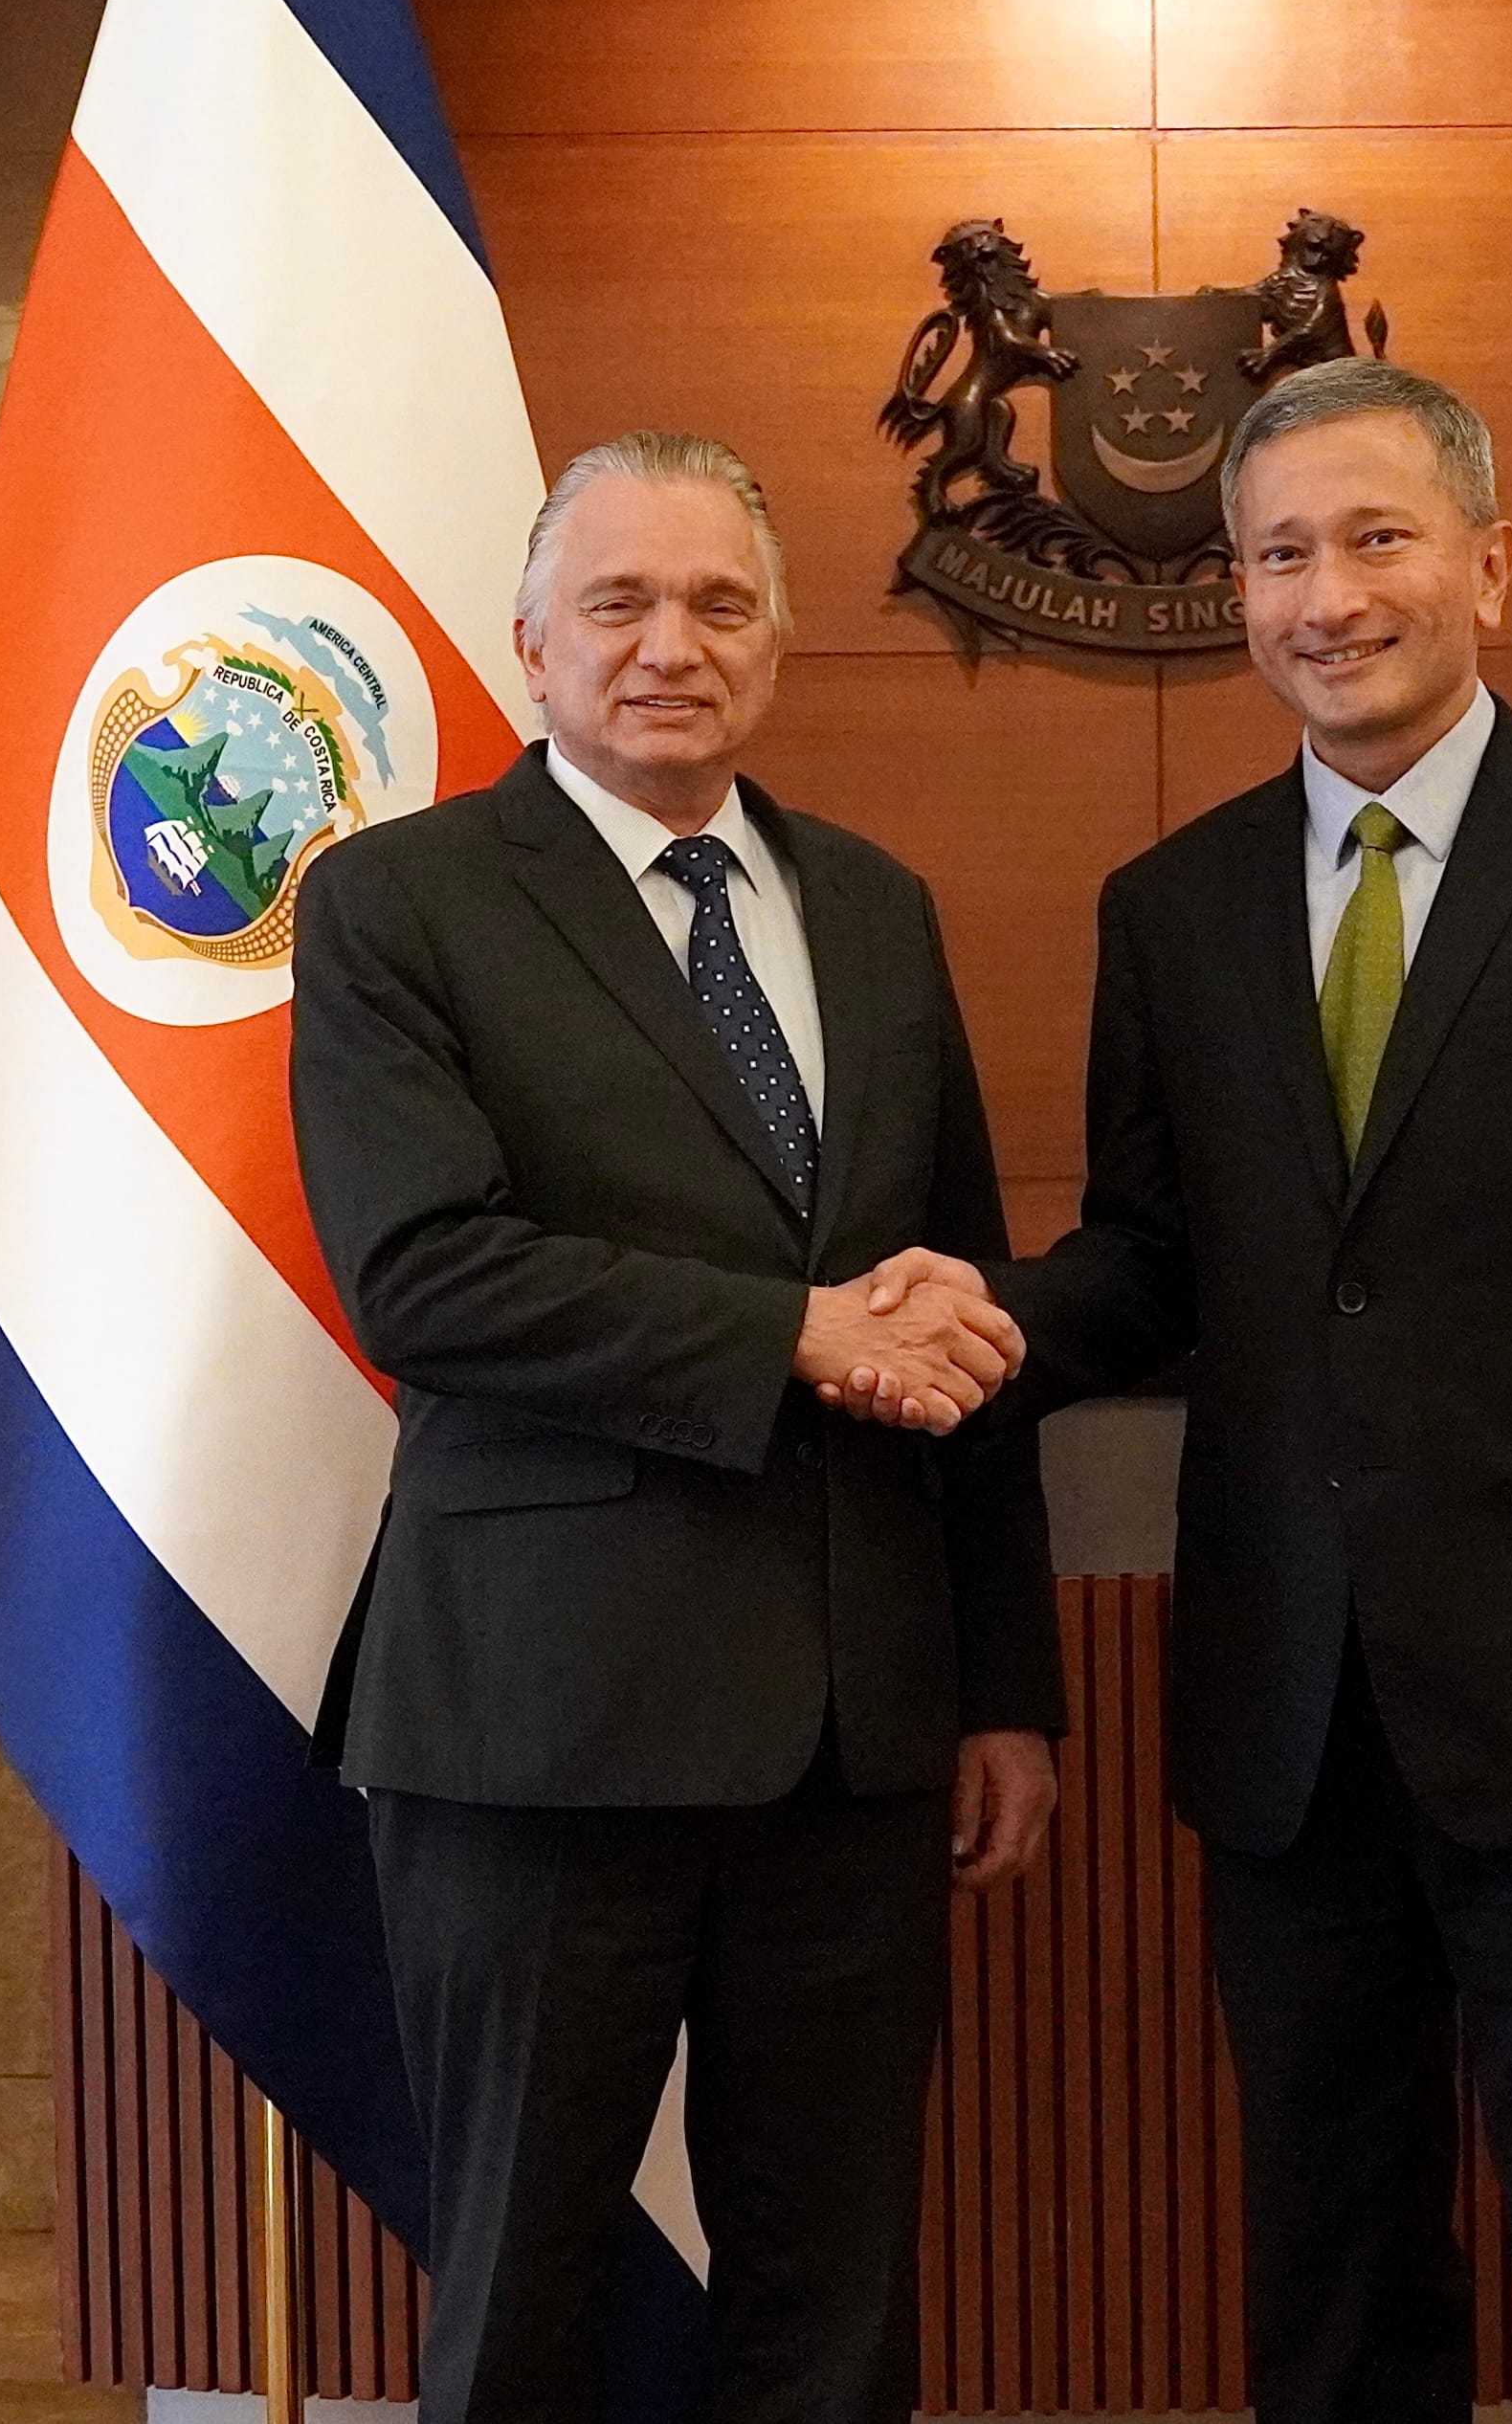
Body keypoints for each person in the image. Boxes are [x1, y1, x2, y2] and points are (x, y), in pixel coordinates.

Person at [842, 360, 1512, 2424]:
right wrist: (976, 1320)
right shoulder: (1172, 907)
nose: (1324, 596)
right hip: (1286, 1708)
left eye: (1373, 539)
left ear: (1488, 559)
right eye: (1277, 553)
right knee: (1328, 2252)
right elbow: (1153, 1268)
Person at [290, 430, 1064, 2424]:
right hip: (543, 1727)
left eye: (719, 604)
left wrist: (1001, 1687)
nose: (669, 646)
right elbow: (426, 1279)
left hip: (854, 1725)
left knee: (834, 2303)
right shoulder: (400, 905)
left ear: (780, 645)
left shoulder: (873, 909)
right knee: (522, 2293)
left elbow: (955, 1310)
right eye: (617, 604)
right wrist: (795, 1336)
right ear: (531, 646)